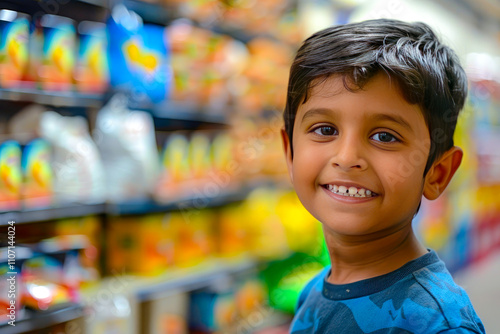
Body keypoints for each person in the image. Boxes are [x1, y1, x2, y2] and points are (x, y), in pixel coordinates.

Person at [281, 19, 485, 333]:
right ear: (289, 150)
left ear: (437, 173)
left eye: (385, 137)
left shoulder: (438, 324)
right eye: (325, 130)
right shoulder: (314, 291)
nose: (347, 158)